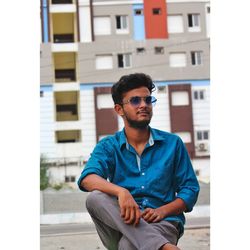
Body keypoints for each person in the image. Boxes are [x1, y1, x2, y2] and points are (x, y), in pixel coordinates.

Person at [78, 73, 200, 250]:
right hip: (119, 223)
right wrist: (122, 192)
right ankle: (164, 247)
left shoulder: (173, 144)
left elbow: (190, 190)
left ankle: (158, 244)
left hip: (162, 222)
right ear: (119, 109)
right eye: (135, 101)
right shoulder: (108, 146)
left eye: (148, 100)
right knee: (95, 198)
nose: (143, 105)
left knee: (128, 245)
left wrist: (162, 211)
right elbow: (87, 178)